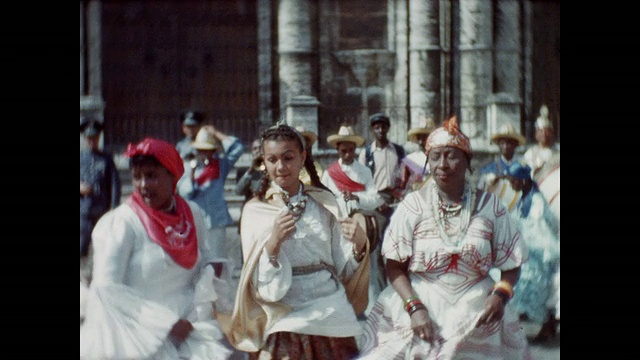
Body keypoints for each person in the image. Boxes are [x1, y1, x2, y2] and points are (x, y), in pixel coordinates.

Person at [358, 116, 531, 359]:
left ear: (467, 161)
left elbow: (512, 263)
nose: (443, 164)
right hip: (419, 304)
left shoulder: (491, 206)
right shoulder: (413, 206)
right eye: (436, 156)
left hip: (477, 308)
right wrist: (414, 308)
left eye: (451, 155)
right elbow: (394, 266)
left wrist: (500, 294)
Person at [226, 123, 371, 359]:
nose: (281, 167)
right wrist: (273, 244)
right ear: (264, 161)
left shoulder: (325, 203)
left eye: (288, 157)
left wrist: (359, 245)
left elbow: (343, 269)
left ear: (302, 157)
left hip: (328, 306)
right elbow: (256, 284)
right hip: (282, 310)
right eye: (272, 159)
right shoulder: (256, 210)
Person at [80, 138, 233, 359]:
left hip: (190, 326)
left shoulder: (192, 213)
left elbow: (202, 255)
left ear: (173, 176)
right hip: (139, 335)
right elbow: (106, 290)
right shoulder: (122, 223)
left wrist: (211, 268)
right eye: (137, 177)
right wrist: (166, 324)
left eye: (151, 176)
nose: (143, 185)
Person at [505, 161, 560, 343]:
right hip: (528, 249)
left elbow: (541, 231)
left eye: (513, 180)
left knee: (539, 287)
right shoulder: (524, 197)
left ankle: (547, 325)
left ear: (521, 181)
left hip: (541, 251)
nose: (511, 184)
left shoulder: (536, 201)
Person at [178, 124, 245, 266]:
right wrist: (191, 173)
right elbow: (186, 193)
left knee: (217, 260)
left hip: (216, 220)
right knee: (197, 262)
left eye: (207, 150)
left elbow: (237, 149)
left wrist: (216, 133)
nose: (204, 153)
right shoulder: (186, 167)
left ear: (213, 151)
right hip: (195, 220)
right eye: (200, 150)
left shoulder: (220, 165)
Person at [359, 113, 407, 298]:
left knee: (399, 245)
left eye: (383, 127)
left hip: (395, 200)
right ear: (372, 130)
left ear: (388, 128)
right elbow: (363, 182)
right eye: (377, 127)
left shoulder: (398, 151)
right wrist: (376, 203)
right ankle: (381, 295)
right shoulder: (367, 153)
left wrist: (399, 195)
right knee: (378, 249)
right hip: (376, 200)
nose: (380, 131)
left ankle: (400, 289)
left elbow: (405, 177)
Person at [80, 116, 121, 260]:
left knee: (102, 245)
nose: (92, 141)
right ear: (84, 138)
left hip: (101, 211)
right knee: (82, 245)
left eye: (95, 137)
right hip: (83, 211)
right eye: (89, 137)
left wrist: (114, 208)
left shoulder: (106, 159)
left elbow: (115, 185)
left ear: (99, 138)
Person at [477, 122, 527, 212]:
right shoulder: (490, 168)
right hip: (494, 213)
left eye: (509, 143)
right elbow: (480, 193)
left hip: (517, 213)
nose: (505, 146)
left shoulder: (522, 168)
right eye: (502, 143)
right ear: (498, 145)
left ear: (516, 145)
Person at [397, 118, 436, 198]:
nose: (421, 142)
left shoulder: (441, 159)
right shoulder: (410, 159)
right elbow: (400, 185)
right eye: (419, 138)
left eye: (425, 137)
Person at [235, 138, 265, 237]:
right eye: (254, 149)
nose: (257, 151)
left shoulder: (272, 169)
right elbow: (239, 191)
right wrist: (251, 169)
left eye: (260, 148)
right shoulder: (244, 171)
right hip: (249, 217)